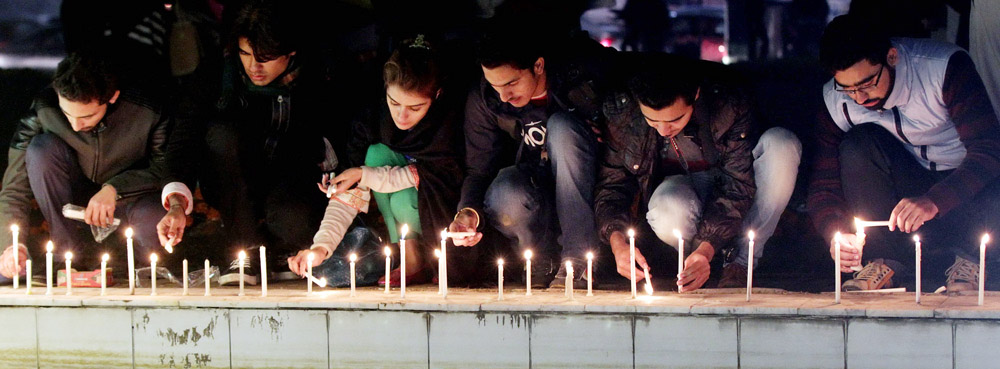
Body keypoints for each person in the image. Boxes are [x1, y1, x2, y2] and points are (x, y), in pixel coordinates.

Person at [807, 14, 1000, 291]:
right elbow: (824, 183)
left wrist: (934, 200)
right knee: (857, 145)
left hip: (968, 187)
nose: (860, 98)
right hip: (906, 190)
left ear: (892, 57)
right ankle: (885, 260)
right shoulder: (836, 101)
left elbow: (989, 150)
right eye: (847, 89)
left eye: (866, 84)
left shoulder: (942, 69)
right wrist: (835, 233)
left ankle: (971, 263)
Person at [595, 56, 801, 292]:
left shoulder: (728, 104)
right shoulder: (624, 111)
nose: (663, 130)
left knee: (782, 144)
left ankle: (740, 261)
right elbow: (612, 185)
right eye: (652, 120)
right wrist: (618, 242)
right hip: (681, 190)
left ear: (695, 96)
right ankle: (697, 262)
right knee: (667, 209)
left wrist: (708, 247)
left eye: (674, 120)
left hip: (735, 189)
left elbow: (737, 184)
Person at [286, 36, 465, 286]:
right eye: (394, 102)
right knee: (375, 154)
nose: (402, 116)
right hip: (400, 208)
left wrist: (365, 174)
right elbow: (348, 192)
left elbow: (441, 177)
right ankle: (410, 258)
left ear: (436, 95)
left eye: (415, 108)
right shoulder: (372, 121)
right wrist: (321, 248)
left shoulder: (447, 124)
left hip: (441, 215)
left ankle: (434, 260)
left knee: (400, 198)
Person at [447, 18, 613, 288]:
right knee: (505, 192)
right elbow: (479, 169)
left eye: (511, 83)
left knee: (561, 127)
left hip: (588, 187)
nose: (503, 96)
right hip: (532, 190)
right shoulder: (485, 100)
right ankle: (539, 259)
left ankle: (578, 260)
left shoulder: (580, 73)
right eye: (495, 85)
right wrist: (468, 212)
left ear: (538, 65)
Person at [0, 52, 192, 280]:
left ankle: (141, 265)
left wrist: (114, 189)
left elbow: (165, 168)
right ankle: (67, 259)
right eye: (66, 113)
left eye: (87, 116)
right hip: (72, 203)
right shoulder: (43, 108)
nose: (75, 124)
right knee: (41, 149)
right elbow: (14, 188)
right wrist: (12, 245)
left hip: (132, 200)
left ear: (112, 97)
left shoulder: (147, 109)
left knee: (153, 234)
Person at [202, 0, 346, 285]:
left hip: (293, 180)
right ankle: (246, 251)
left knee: (294, 217)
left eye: (265, 57)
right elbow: (187, 130)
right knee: (222, 136)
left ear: (290, 51)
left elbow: (338, 137)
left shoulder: (318, 77)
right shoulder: (223, 74)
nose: (254, 66)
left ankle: (282, 250)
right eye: (245, 54)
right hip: (236, 179)